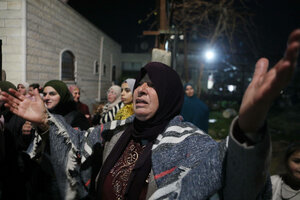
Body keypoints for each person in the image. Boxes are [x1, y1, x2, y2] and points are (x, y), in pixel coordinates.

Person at [2, 29, 300, 199]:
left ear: (171, 97)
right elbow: (76, 146)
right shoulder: (115, 130)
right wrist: (44, 120)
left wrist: (246, 129)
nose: (142, 90)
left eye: (153, 86)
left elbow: (235, 181)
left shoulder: (191, 144)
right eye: (141, 84)